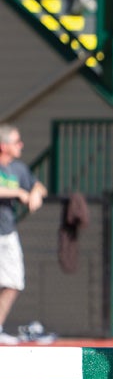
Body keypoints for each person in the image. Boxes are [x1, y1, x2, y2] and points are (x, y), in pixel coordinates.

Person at [0, 125, 48, 345]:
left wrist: (35, 193)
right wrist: (19, 192)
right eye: (16, 142)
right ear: (4, 145)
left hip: (7, 233)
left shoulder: (18, 169)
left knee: (15, 282)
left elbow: (39, 186)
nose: (21, 145)